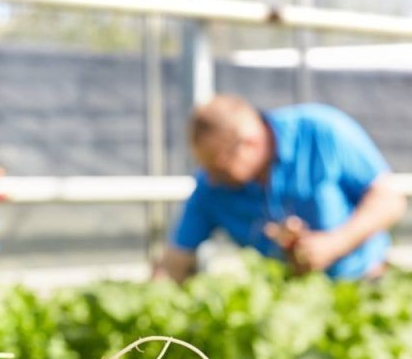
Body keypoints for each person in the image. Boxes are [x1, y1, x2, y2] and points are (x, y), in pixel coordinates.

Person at [154, 93, 407, 283]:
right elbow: (176, 259)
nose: (211, 177)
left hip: (363, 282)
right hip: (283, 304)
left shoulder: (319, 131)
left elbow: (389, 199)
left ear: (250, 144)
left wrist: (334, 244)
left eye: (219, 166)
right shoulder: (212, 185)